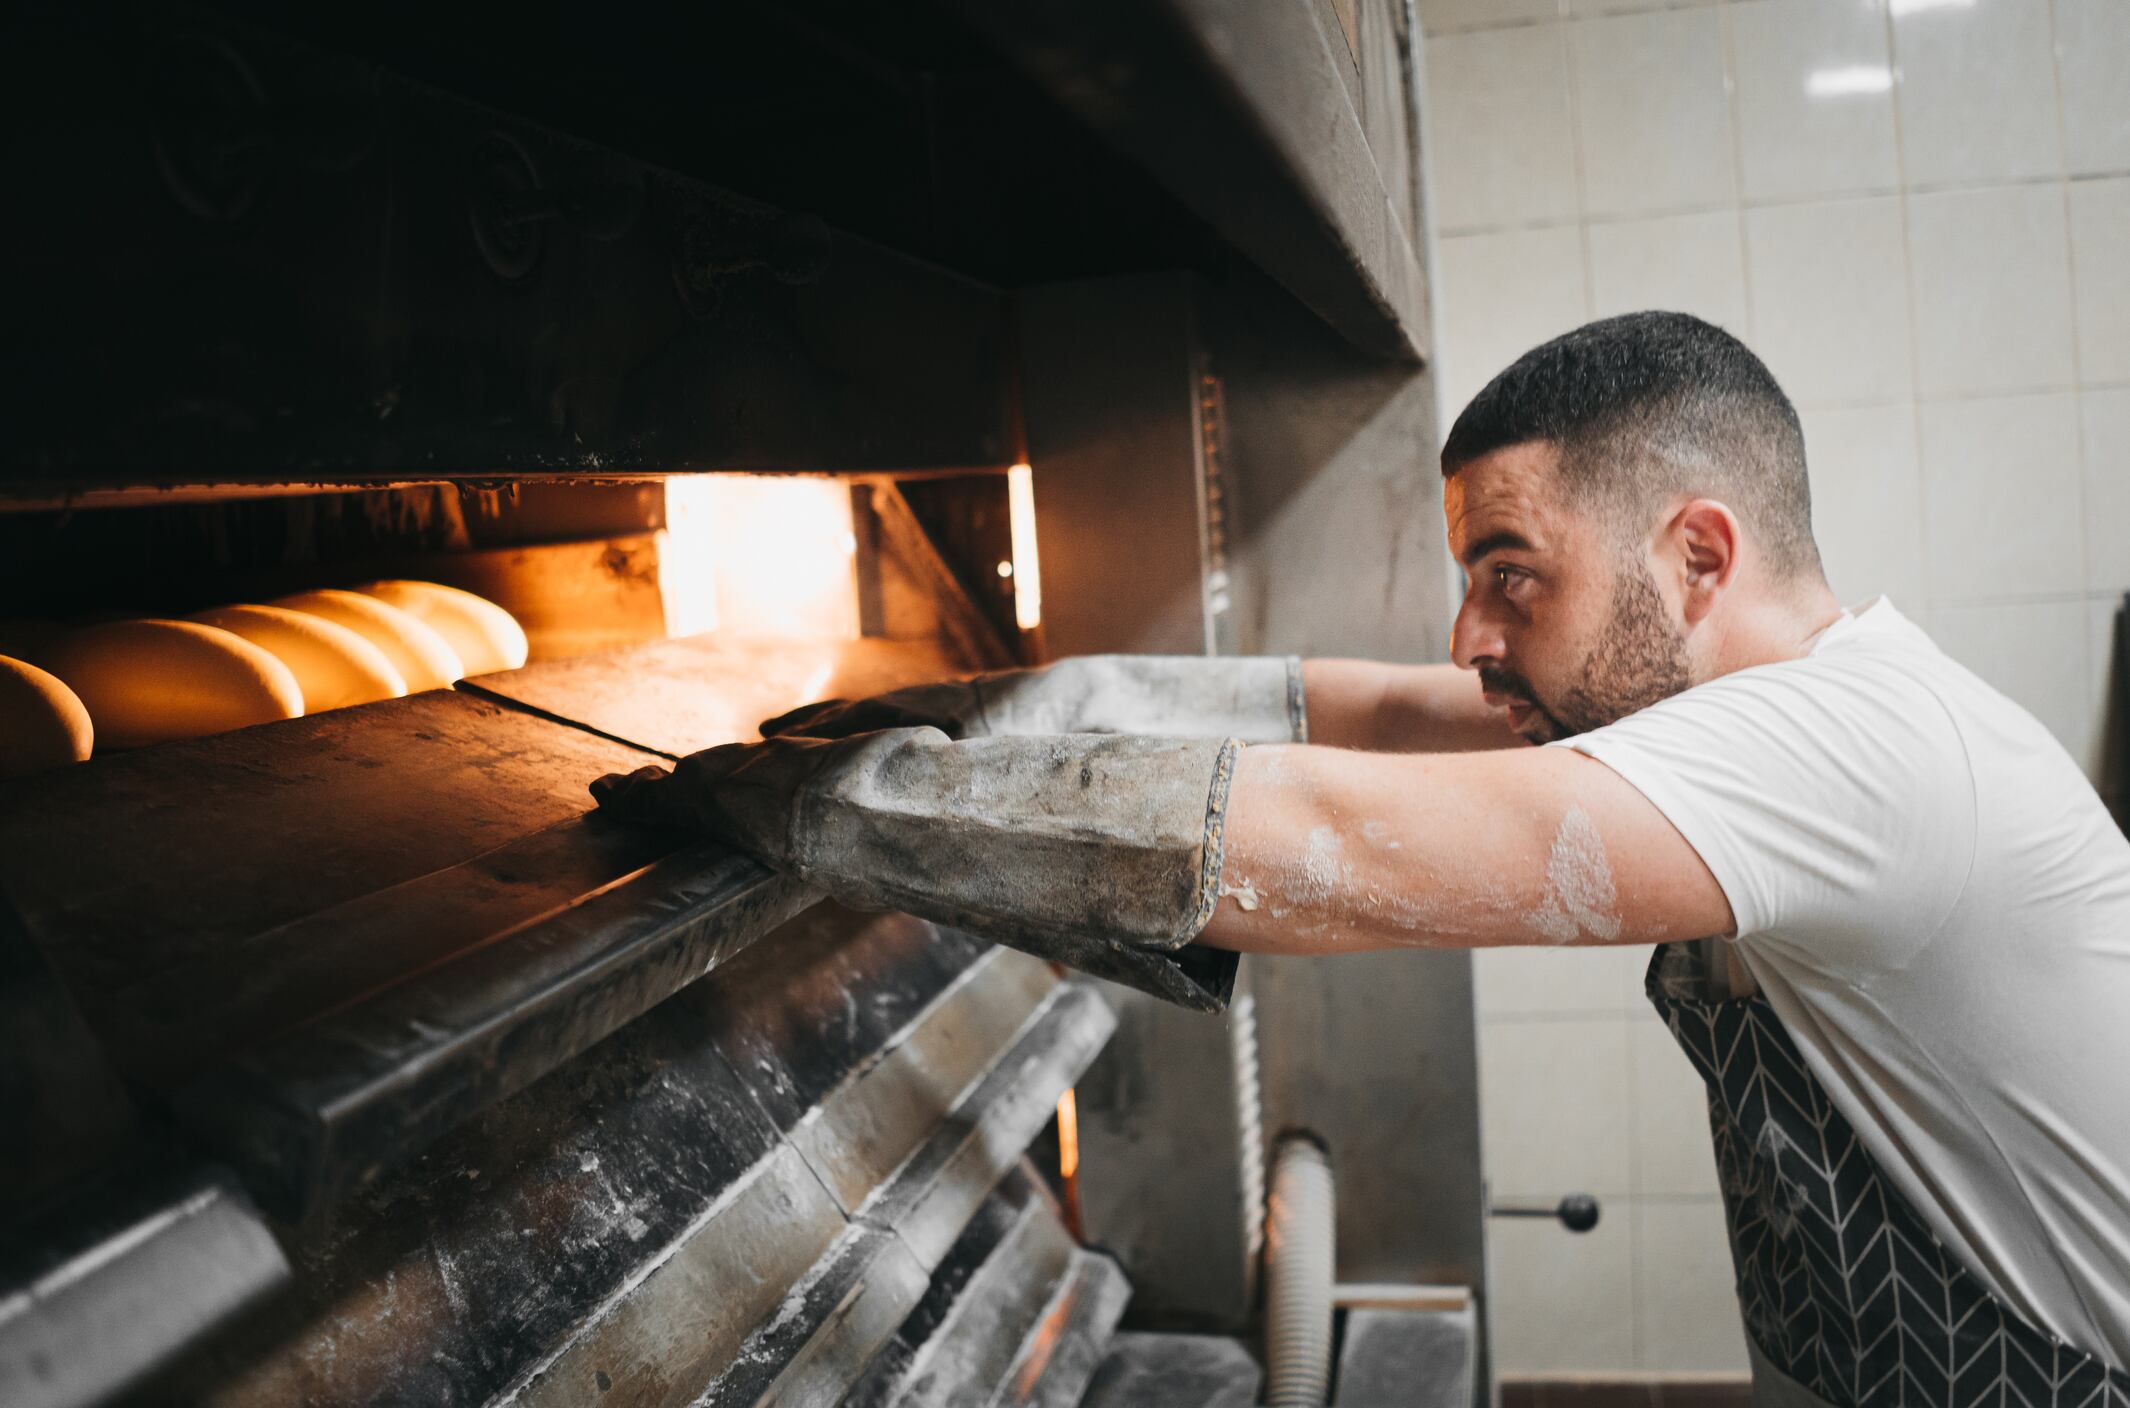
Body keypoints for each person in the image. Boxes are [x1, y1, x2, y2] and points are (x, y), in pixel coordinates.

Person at [593, 312, 2130, 1403]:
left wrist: (825, 807)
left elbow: (1324, 833)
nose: (1468, 639)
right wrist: (981, 709)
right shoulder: (1776, 718)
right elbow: (1366, 714)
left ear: (1699, 557)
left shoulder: (1846, 753)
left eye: (1510, 578)